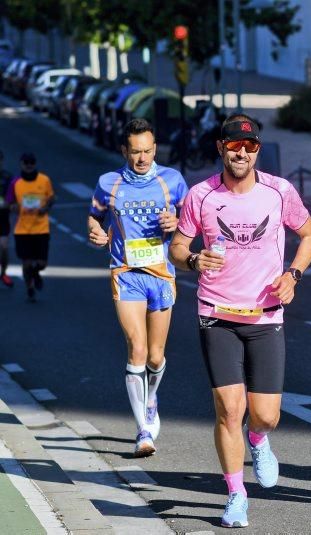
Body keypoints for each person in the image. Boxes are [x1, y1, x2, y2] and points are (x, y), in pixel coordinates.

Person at [169, 113, 311, 529]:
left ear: (257, 150)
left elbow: (310, 235)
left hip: (265, 316)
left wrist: (293, 275)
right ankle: (236, 494)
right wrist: (195, 258)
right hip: (216, 313)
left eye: (249, 145)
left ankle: (259, 439)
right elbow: (178, 248)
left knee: (265, 414)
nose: (241, 152)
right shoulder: (201, 195)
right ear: (221, 147)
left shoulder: (279, 191)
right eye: (234, 145)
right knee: (228, 409)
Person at [87, 118, 188, 457]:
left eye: (147, 151)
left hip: (161, 274)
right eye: (135, 152)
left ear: (155, 149)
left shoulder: (172, 181)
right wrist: (96, 234)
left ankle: (151, 399)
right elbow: (94, 216)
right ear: (124, 151)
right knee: (137, 349)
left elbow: (191, 223)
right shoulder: (108, 183)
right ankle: (143, 430)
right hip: (125, 272)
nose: (142, 158)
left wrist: (176, 223)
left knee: (156, 357)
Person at [7, 153, 54, 302]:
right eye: (26, 162)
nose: (29, 165)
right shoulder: (15, 182)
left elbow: (51, 198)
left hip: (41, 229)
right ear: (21, 164)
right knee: (26, 262)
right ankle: (30, 288)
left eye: (31, 162)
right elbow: (10, 202)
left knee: (42, 263)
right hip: (22, 230)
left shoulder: (44, 180)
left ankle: (35, 273)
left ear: (35, 164)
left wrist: (45, 208)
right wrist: (14, 207)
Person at [0, 150, 14, 287]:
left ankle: (3, 273)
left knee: (3, 247)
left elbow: (15, 197)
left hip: (3, 218)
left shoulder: (8, 177)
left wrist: (9, 204)